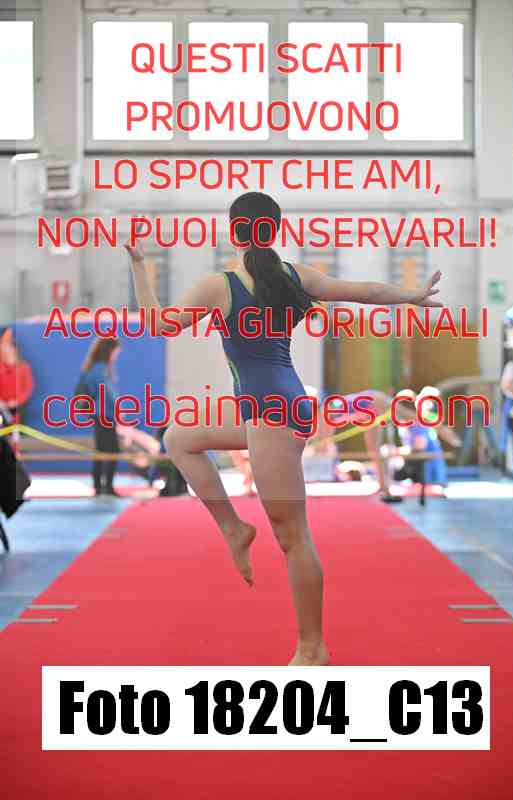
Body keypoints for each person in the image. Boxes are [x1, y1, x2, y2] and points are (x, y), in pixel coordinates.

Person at [125, 191, 442, 666]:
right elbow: (363, 291)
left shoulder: (221, 285)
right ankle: (234, 528)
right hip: (273, 406)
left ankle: (313, 647)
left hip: (271, 414)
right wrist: (410, 296)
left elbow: (158, 324)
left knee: (293, 536)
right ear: (274, 231)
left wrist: (138, 266)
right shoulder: (295, 276)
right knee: (180, 437)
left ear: (234, 232)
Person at [77, 337, 122, 497]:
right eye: (115, 352)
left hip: (99, 414)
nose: (116, 355)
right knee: (112, 451)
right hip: (104, 414)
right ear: (109, 351)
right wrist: (119, 409)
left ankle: (99, 485)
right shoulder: (100, 370)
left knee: (101, 450)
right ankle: (106, 486)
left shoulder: (93, 368)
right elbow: (107, 393)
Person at [0, 328, 34, 428]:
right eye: (3, 348)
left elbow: (27, 388)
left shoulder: (24, 367)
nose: (6, 351)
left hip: (17, 407)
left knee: (14, 419)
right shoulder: (1, 367)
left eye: (8, 348)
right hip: (2, 407)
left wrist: (16, 401)